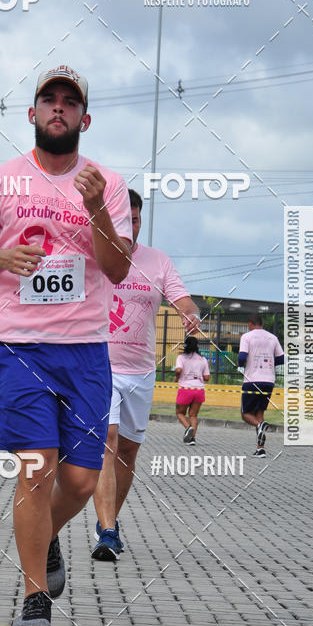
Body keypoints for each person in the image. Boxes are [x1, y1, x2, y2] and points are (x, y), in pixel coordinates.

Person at [0, 65, 132, 626]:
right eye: (49, 99)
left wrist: (97, 209)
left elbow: (118, 269)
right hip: (20, 348)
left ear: (85, 118)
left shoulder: (107, 183)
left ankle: (45, 534)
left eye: (70, 101)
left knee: (79, 482)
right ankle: (36, 596)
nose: (59, 107)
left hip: (84, 351)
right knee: (36, 472)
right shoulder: (0, 182)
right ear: (32, 113)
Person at [91, 189, 200, 562]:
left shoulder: (158, 261)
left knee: (127, 451)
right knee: (107, 441)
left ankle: (108, 519)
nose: (130, 227)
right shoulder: (94, 255)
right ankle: (108, 531)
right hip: (100, 366)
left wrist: (189, 313)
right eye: (123, 220)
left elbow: (182, 298)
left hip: (140, 372)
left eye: (135, 220)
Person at [238, 313, 284, 457]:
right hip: (268, 381)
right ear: (262, 324)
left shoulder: (247, 337)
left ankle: (259, 426)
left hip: (252, 380)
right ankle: (260, 449)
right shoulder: (273, 337)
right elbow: (281, 358)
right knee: (259, 413)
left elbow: (242, 357)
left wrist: (240, 365)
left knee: (245, 414)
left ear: (250, 324)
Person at [174, 335, 210, 445]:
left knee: (180, 413)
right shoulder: (202, 359)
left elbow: (178, 370)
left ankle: (188, 427)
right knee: (193, 415)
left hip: (186, 389)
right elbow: (207, 377)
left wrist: (176, 377)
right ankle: (192, 439)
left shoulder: (181, 357)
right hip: (199, 390)